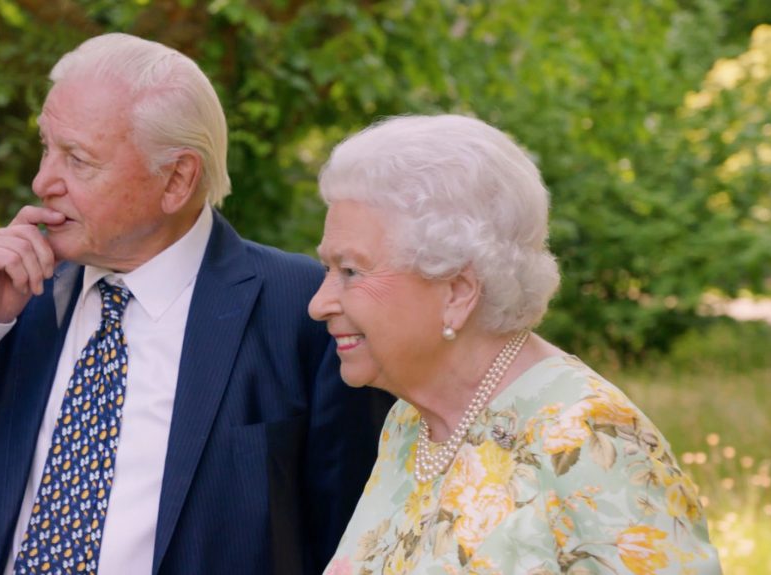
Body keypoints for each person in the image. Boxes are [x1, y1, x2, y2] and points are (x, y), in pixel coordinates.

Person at [0, 33, 390, 575]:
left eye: (77, 158)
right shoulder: (15, 295)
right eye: (46, 147)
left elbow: (352, 540)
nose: (42, 180)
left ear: (176, 180)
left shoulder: (305, 309)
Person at [308, 115, 721, 574]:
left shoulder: (586, 437)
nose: (319, 303)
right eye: (328, 270)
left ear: (457, 292)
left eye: (350, 272)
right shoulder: (410, 423)